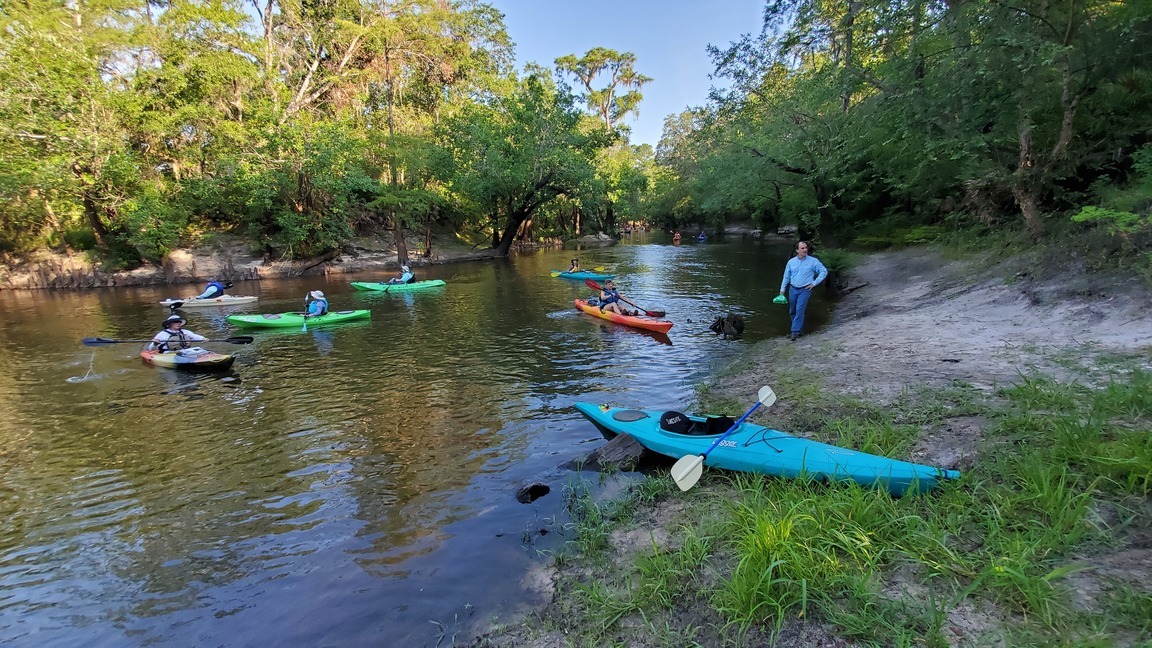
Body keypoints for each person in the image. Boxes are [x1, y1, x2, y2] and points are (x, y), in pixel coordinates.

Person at [778, 240, 828, 340]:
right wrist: (782, 289)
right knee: (792, 311)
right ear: (797, 250)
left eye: (806, 248)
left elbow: (823, 271)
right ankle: (798, 331)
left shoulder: (813, 261)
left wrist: (814, 283)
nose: (805, 250)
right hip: (793, 289)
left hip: (805, 289)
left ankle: (794, 332)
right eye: (802, 248)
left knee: (800, 309)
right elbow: (786, 276)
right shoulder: (791, 262)